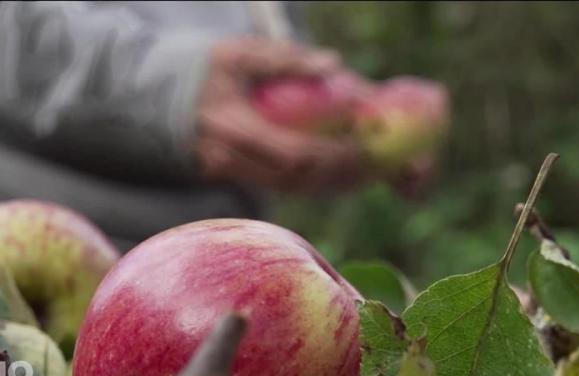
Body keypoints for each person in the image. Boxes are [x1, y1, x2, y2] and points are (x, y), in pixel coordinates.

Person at [0, 2, 429, 251]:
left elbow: (270, 71)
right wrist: (171, 85)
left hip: (215, 273)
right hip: (38, 255)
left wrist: (342, 124)